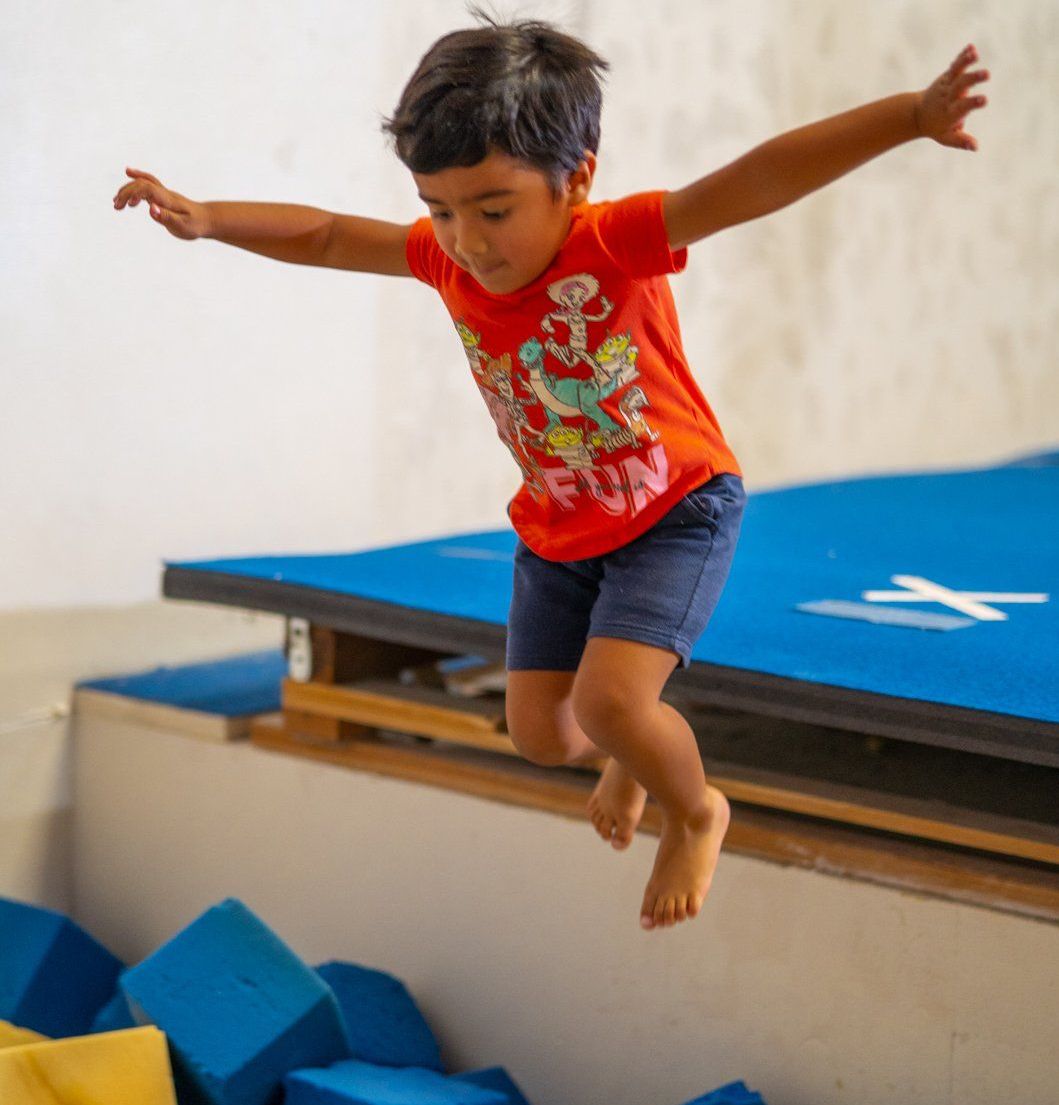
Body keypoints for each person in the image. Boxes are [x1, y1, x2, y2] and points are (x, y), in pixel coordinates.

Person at [112, 14, 989, 931]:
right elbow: (330, 235)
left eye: (493, 210)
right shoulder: (445, 261)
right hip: (560, 523)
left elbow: (752, 182)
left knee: (610, 701)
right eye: (439, 208)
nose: (467, 242)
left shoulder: (611, 241)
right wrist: (208, 218)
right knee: (546, 732)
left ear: (576, 181)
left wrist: (908, 115)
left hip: (672, 508)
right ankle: (634, 743)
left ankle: (695, 809)